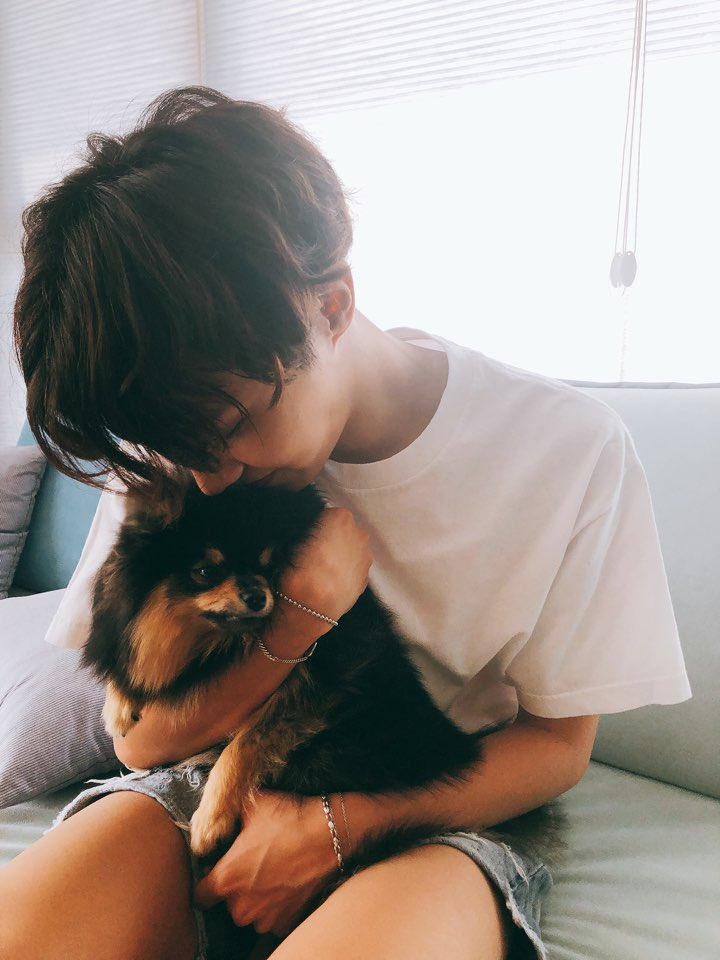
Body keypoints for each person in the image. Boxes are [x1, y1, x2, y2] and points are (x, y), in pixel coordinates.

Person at [2, 86, 690, 960]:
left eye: (230, 427)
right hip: (203, 777)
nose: (208, 478)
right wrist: (300, 618)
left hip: (430, 804)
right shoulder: (175, 442)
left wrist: (337, 826)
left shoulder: (567, 449)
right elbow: (139, 739)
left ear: (329, 307)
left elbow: (557, 748)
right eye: (178, 449)